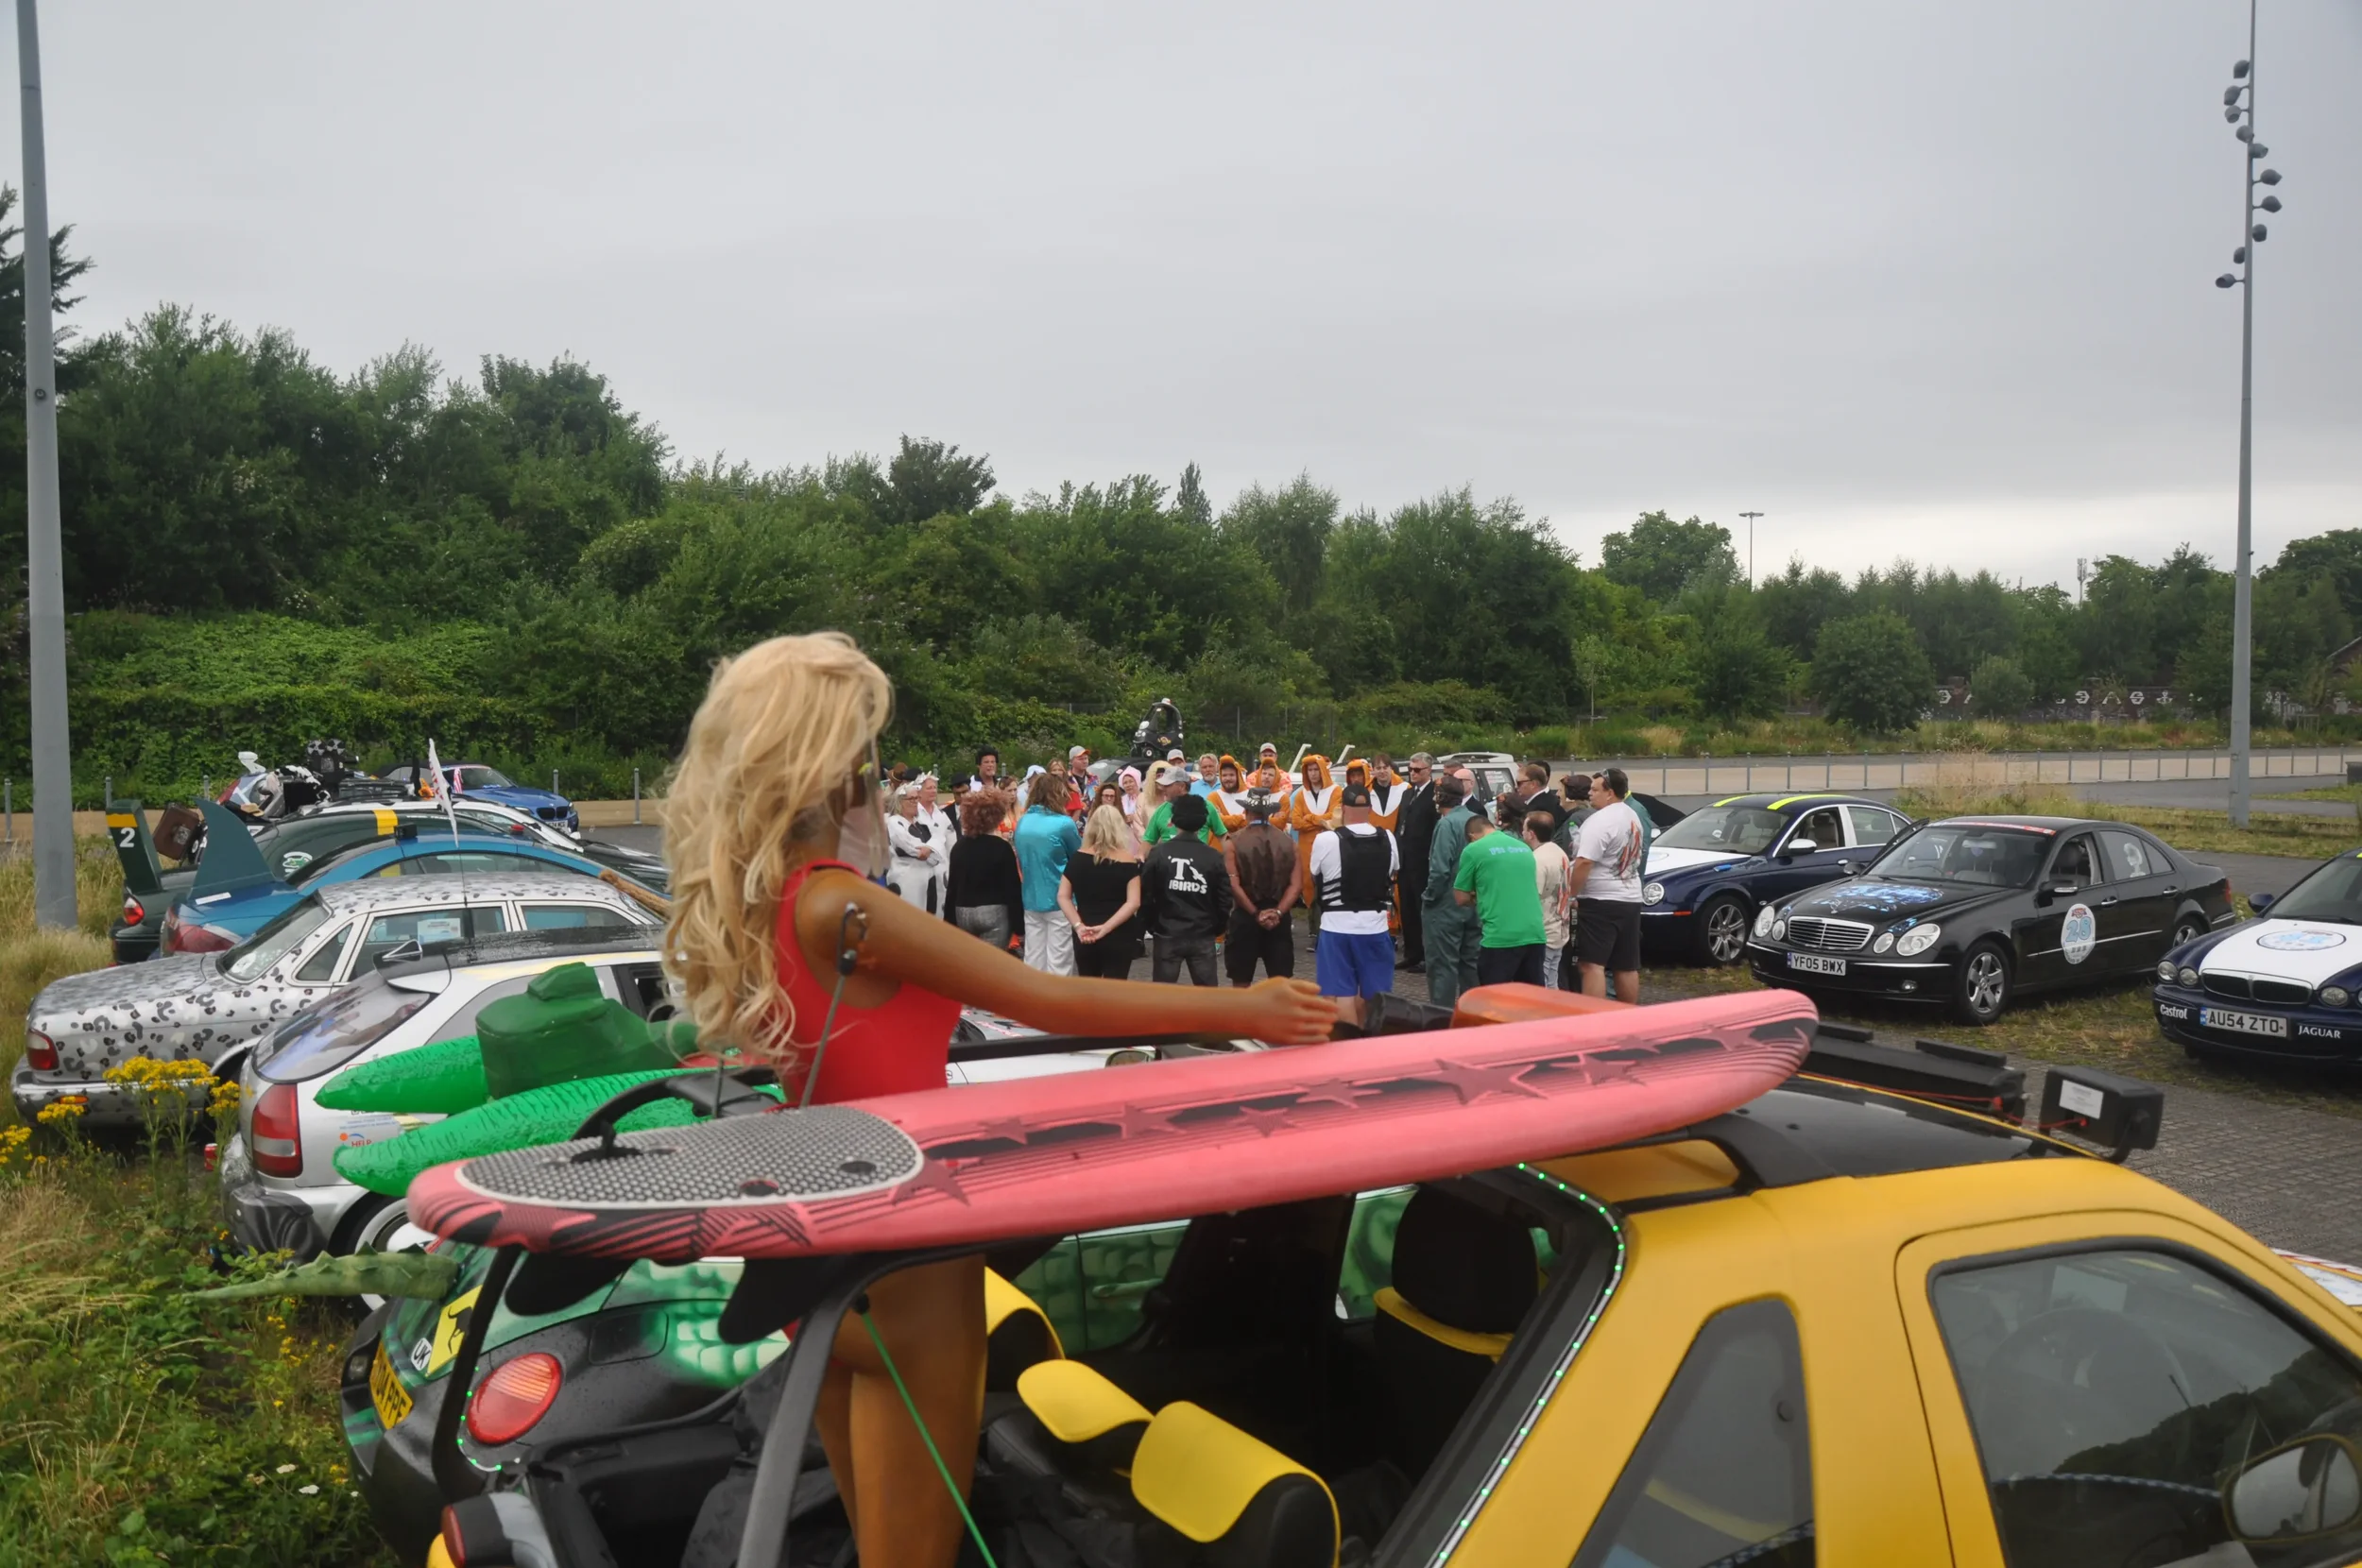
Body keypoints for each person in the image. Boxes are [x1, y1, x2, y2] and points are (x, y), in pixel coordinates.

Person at [659, 633, 1338, 1568]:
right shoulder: (841, 905)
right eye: (866, 750)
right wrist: (1247, 1006)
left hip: (818, 1245)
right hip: (909, 1254)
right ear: (834, 766)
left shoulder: (761, 901)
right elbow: (1048, 997)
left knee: (878, 1547)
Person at [1309, 783, 1399, 1003]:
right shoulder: (1388, 837)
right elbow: (1394, 870)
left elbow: (1314, 874)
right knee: (1374, 998)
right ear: (1370, 808)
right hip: (1375, 926)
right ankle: (1369, 1037)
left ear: (1343, 808)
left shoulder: (1326, 839)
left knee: (1342, 996)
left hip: (1336, 927)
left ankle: (1348, 1038)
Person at [1570, 767, 1647, 1003]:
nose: (1589, 794)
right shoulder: (1633, 816)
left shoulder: (1600, 820)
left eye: (1595, 789)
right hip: (1630, 897)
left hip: (1601, 899)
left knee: (1591, 965)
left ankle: (1594, 1020)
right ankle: (1627, 1017)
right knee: (1626, 965)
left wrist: (1570, 894)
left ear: (1610, 792)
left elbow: (1584, 862)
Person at [1141, 794, 1232, 986]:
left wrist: (1151, 925)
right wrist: (1217, 927)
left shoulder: (1158, 854)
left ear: (1173, 821)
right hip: (1202, 933)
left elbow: (1146, 895)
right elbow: (1224, 899)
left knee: (1162, 995)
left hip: (1167, 932)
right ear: (1202, 822)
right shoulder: (1213, 857)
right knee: (1207, 997)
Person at [1454, 809, 1548, 985]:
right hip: (1534, 933)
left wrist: (1479, 896)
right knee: (1532, 1000)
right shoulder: (1523, 847)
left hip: (1500, 937)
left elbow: (1460, 897)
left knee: (1493, 1001)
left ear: (1472, 835)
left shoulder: (1473, 849)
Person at [1224, 789, 1300, 988]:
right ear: (1270, 813)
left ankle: (1241, 1019)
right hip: (1279, 917)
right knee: (1280, 984)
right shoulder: (1289, 843)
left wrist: (1256, 913)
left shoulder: (1233, 842)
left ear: (1246, 812)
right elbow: (1296, 885)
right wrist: (1277, 912)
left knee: (1241, 983)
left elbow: (1233, 884)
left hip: (1245, 916)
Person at [1059, 804, 1145, 979]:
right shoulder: (1128, 861)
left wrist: (1078, 925)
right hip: (1119, 932)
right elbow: (1134, 902)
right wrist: (1106, 928)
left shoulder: (1077, 858)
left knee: (1089, 989)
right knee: (1115, 990)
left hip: (1085, 930)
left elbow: (1063, 896)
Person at [1420, 772, 1481, 1008]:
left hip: (1445, 906)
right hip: (1474, 904)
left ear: (1438, 798)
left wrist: (1429, 897)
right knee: (1471, 965)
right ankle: (1474, 1017)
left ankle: (1440, 1021)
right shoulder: (1477, 820)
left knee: (1442, 967)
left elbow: (1439, 870)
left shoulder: (1446, 825)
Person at [1015, 783, 1084, 974]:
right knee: (1059, 959)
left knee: (1034, 956)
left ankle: (1032, 999)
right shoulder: (1064, 823)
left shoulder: (1022, 821)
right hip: (1060, 897)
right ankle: (1058, 1000)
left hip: (1031, 896)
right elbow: (1078, 858)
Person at [944, 790, 1022, 949]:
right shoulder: (1002, 847)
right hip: (994, 911)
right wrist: (1020, 927)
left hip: (963, 912)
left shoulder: (958, 848)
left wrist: (948, 922)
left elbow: (952, 887)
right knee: (992, 966)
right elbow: (1012, 889)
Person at [1287, 755, 1342, 934]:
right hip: (1306, 848)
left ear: (1323, 770)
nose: (1313, 773)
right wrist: (1320, 821)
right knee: (1309, 885)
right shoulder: (1301, 794)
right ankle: (1313, 930)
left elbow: (1335, 819)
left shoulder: (1336, 791)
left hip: (1330, 847)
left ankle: (1329, 927)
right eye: (1309, 770)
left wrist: (1309, 818)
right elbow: (1295, 822)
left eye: (1316, 769)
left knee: (1328, 884)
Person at [1395, 753, 1437, 970]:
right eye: (1410, 769)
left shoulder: (1434, 795)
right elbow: (1399, 823)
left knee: (1423, 910)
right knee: (1408, 909)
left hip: (1423, 862)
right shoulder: (1407, 794)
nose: (1412, 773)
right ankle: (1411, 953)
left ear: (1429, 771)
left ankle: (1426, 955)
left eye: (1417, 770)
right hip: (1405, 860)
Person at [1524, 802, 1573, 990]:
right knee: (1552, 981)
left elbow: (1533, 896)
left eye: (1524, 829)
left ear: (1531, 833)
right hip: (1559, 927)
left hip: (1543, 930)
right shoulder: (1559, 852)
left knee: (1542, 983)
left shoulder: (1537, 859)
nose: (1522, 833)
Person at [885, 784, 945, 914]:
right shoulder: (894, 822)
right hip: (906, 881)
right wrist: (931, 849)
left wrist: (929, 849)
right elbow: (910, 846)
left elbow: (940, 838)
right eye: (911, 799)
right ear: (900, 802)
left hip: (928, 880)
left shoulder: (921, 824)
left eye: (917, 798)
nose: (915, 802)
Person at [1143, 763, 1231, 848]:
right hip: (1168, 862)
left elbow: (1223, 836)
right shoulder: (1161, 810)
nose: (1163, 789)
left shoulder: (1205, 806)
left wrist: (1228, 861)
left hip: (1199, 861)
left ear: (1182, 786)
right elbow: (1147, 841)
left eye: (1168, 785)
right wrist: (1142, 857)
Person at [1207, 755, 1253, 834]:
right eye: (1224, 775)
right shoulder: (1213, 797)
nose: (1228, 778)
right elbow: (1216, 822)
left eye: (1231, 775)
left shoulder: (1251, 795)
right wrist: (1241, 818)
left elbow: (1251, 822)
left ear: (1238, 776)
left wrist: (1224, 819)